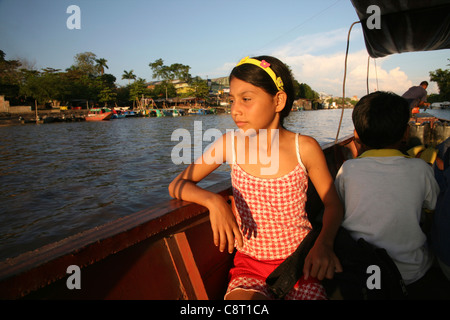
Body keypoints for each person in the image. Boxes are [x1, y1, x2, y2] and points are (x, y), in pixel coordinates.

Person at [169, 55, 343, 300]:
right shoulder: (229, 144)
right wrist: (213, 201)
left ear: (278, 101)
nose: (235, 109)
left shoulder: (304, 147)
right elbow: (178, 184)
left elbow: (333, 204)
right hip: (249, 266)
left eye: (246, 99)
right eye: (232, 100)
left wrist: (324, 243)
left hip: (301, 263)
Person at [334, 91, 440, 289]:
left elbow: (338, 209)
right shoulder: (421, 169)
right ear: (406, 134)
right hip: (413, 272)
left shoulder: (348, 169)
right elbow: (432, 210)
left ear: (356, 134)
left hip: (362, 270)